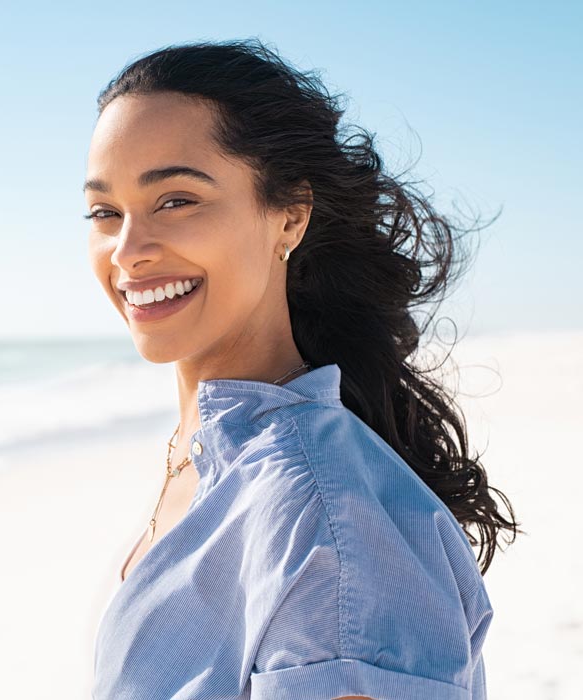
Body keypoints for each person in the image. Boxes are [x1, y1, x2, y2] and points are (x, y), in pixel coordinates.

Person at [83, 38, 520, 700]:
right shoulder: (207, 451)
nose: (128, 250)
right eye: (105, 212)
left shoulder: (327, 523)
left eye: (176, 200)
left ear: (289, 214)